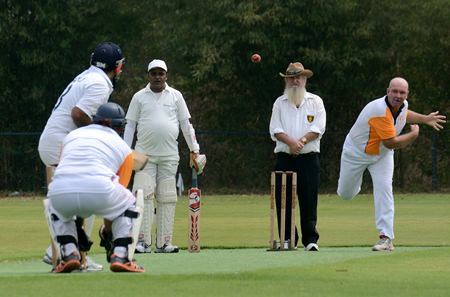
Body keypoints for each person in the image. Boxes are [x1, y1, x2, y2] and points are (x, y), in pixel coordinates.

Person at [38, 41, 125, 270]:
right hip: (61, 144)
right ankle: (62, 252)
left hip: (58, 142)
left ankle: (72, 253)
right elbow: (79, 114)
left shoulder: (88, 76)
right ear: (116, 67)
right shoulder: (99, 83)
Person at [337, 77, 446, 251]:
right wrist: (413, 135)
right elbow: (391, 142)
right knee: (346, 194)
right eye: (394, 91)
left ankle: (386, 238)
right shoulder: (379, 110)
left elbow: (405, 115)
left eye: (402, 92)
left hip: (382, 155)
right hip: (356, 153)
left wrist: (425, 119)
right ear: (387, 91)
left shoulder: (402, 104)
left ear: (407, 94)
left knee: (384, 188)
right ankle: (353, 185)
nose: (398, 95)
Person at [47, 102, 144, 273]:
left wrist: (78, 225)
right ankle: (121, 256)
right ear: (117, 126)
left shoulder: (72, 136)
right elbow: (117, 195)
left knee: (56, 206)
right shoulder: (123, 148)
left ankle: (69, 253)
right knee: (129, 202)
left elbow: (71, 175)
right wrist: (107, 233)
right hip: (99, 190)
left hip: (60, 191)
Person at [124, 59, 205, 253]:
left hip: (169, 154)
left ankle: (164, 242)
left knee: (167, 196)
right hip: (144, 155)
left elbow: (186, 125)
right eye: (154, 73)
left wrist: (194, 149)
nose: (158, 77)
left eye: (161, 73)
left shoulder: (176, 96)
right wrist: (125, 152)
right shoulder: (139, 97)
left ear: (166, 75)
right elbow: (130, 126)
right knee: (143, 194)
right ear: (149, 75)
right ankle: (142, 241)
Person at [269, 61, 326, 251]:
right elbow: (275, 129)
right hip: (285, 157)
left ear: (304, 79)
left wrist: (300, 142)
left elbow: (318, 128)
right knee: (283, 200)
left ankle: (310, 240)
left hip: (309, 158)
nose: (295, 81)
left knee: (309, 199)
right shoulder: (280, 102)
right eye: (292, 77)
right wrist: (292, 143)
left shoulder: (315, 101)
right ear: (287, 80)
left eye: (298, 77)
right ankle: (287, 239)